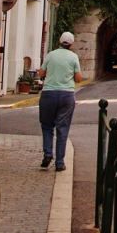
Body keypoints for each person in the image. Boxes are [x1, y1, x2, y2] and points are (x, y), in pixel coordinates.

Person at [38, 31, 82, 171]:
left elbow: (41, 73)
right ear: (71, 44)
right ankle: (60, 163)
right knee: (62, 129)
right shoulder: (73, 57)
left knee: (47, 126)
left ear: (59, 41)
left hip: (48, 94)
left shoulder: (51, 55)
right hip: (66, 95)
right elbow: (79, 78)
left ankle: (47, 154)